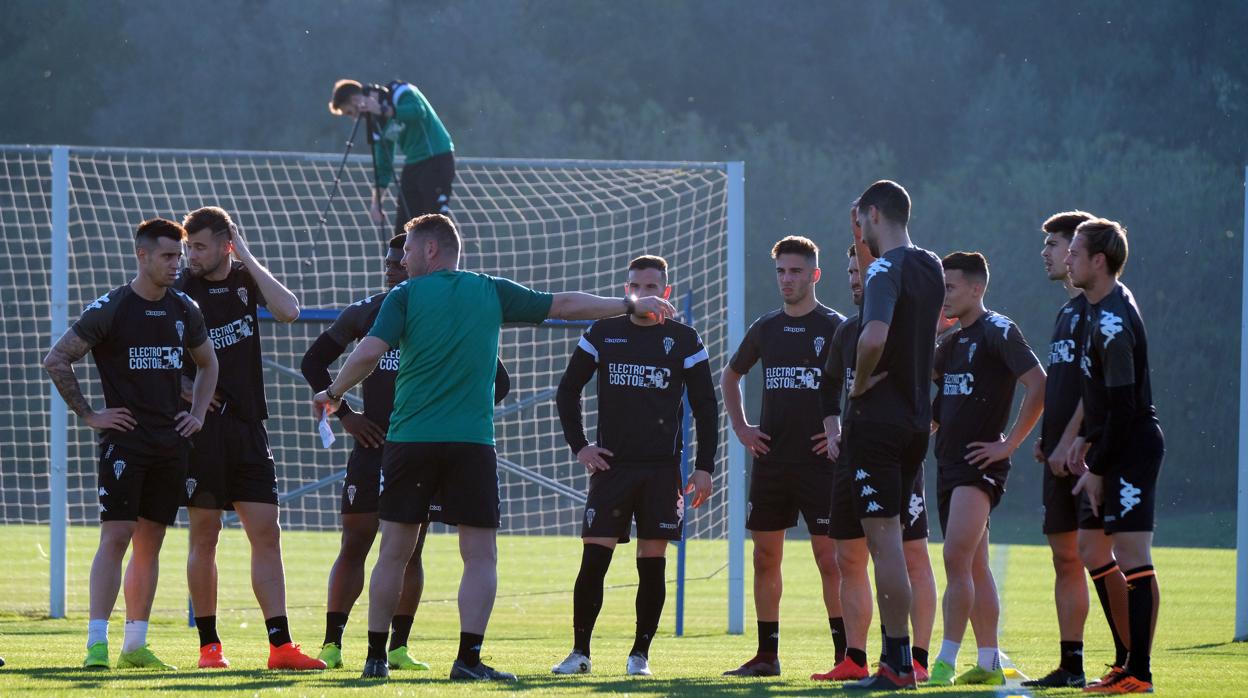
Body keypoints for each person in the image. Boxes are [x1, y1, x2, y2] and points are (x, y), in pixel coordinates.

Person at [313, 213, 677, 681]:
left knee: (393, 552)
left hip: (409, 441)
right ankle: (467, 659)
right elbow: (565, 304)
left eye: (407, 251)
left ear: (430, 250)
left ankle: (376, 659)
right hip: (471, 445)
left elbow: (367, 353)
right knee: (480, 554)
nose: (401, 261)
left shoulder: (404, 295)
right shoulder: (490, 290)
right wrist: (630, 304)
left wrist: (336, 393)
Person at [300, 233, 511, 670]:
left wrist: (455, 409)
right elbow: (313, 362)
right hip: (374, 444)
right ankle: (332, 642)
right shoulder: (368, 311)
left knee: (411, 550)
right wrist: (348, 417)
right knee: (357, 542)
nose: (394, 269)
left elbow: (500, 382)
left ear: (422, 259)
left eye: (401, 261)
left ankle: (396, 646)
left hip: (422, 443)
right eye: (390, 263)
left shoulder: (444, 313)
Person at [43, 218, 218, 670]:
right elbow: (57, 358)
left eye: (178, 256)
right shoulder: (112, 308)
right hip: (125, 443)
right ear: (141, 256)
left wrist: (197, 414)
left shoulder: (184, 309)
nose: (176, 265)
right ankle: (96, 644)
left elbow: (208, 363)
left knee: (151, 543)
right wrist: (89, 414)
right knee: (117, 536)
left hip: (171, 444)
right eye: (167, 256)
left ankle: (134, 645)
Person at [550, 255, 719, 678]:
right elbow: (568, 390)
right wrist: (581, 447)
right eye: (636, 286)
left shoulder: (684, 339)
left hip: (662, 471)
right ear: (627, 291)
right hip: (612, 469)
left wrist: (703, 467)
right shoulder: (604, 332)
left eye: (652, 286)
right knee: (594, 561)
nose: (644, 293)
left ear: (665, 291)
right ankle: (579, 652)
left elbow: (706, 407)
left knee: (652, 562)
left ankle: (639, 656)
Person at [177, 207, 324, 671]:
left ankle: (280, 646)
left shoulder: (244, 277)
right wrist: (189, 391)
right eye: (187, 246)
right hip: (201, 429)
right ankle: (209, 648)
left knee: (266, 532)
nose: (190, 255)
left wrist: (247, 255)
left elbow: (289, 310)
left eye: (200, 246)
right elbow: (157, 357)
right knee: (205, 535)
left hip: (248, 428)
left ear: (225, 244)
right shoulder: (180, 289)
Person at [721, 236, 845, 677]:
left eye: (795, 271)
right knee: (764, 558)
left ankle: (844, 656)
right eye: (780, 272)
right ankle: (767, 655)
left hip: (821, 463)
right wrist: (741, 427)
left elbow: (868, 379)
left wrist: (841, 432)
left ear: (814, 275)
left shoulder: (835, 326)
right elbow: (731, 376)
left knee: (830, 561)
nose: (786, 279)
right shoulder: (766, 327)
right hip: (771, 460)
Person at [840, 181, 944, 691]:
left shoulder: (883, 269)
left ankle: (896, 664)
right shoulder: (932, 267)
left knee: (884, 547)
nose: (858, 230)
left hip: (876, 423)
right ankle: (901, 661)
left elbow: (875, 334)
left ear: (874, 214)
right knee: (897, 545)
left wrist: (858, 384)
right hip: (913, 423)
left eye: (860, 220)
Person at [816, 242, 936, 683]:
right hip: (854, 452)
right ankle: (855, 657)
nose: (853, 278)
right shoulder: (847, 331)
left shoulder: (902, 328)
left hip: (890, 446)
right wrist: (833, 430)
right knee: (849, 557)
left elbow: (940, 373)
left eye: (859, 269)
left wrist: (931, 416)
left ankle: (911, 658)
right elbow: (828, 388)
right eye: (848, 271)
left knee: (907, 553)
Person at [925, 252, 1045, 686]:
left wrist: (1008, 444)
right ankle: (990, 661)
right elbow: (936, 406)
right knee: (974, 565)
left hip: (979, 466)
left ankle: (944, 661)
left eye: (951, 287)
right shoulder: (951, 343)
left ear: (977, 288)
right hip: (947, 464)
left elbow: (1039, 384)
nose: (944, 296)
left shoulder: (999, 330)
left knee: (955, 555)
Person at [1022, 211, 1130, 689]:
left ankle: (1130, 658)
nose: (1049, 254)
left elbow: (1101, 389)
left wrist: (1074, 441)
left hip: (1090, 454)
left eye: (1057, 245)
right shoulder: (1067, 313)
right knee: (1065, 557)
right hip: (1060, 455)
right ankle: (1072, 664)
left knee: (1101, 555)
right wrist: (1050, 438)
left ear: (1080, 252)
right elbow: (1067, 385)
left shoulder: (1102, 308)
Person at [1068, 218, 1164, 694]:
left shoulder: (1111, 320)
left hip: (1132, 447)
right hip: (1113, 446)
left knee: (1132, 555)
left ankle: (1139, 673)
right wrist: (1087, 442)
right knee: (1094, 548)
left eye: (1075, 252)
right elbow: (1104, 397)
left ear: (1098, 261)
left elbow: (1126, 406)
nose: (1067, 258)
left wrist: (1098, 467)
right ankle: (1126, 661)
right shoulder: (1096, 307)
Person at [328, 79, 455, 235]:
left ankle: (450, 257)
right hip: (413, 163)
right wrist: (376, 203)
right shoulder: (377, 123)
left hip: (436, 158)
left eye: (350, 112)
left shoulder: (401, 92)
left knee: (437, 225)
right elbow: (383, 165)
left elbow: (417, 111)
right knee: (406, 230)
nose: (354, 118)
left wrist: (383, 109)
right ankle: (400, 259)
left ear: (356, 100)